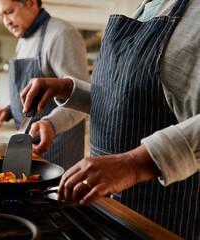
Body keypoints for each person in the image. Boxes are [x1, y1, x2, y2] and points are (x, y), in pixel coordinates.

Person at [20, 0, 200, 239]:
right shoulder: (146, 8)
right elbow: (131, 102)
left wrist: (133, 164)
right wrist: (70, 90)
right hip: (109, 209)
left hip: (163, 217)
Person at [0, 0, 89, 169]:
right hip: (27, 145)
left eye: (9, 12)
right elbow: (29, 93)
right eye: (1, 16)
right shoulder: (23, 39)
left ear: (31, 3)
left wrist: (51, 124)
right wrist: (8, 109)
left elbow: (81, 100)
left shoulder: (62, 34)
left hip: (59, 147)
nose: (6, 22)